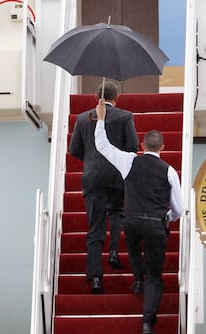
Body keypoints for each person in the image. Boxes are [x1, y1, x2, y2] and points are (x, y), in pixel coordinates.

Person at [94, 98, 184, 334]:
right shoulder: (168, 170)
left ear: (142, 144)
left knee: (133, 247)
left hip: (131, 220)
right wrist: (167, 217)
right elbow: (179, 208)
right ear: (162, 148)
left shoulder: (129, 160)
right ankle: (147, 322)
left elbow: (103, 146)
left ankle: (136, 279)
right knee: (156, 276)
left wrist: (101, 118)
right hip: (156, 224)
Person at [69, 82, 139, 294]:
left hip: (92, 177)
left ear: (95, 97)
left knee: (95, 224)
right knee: (117, 212)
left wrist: (91, 161)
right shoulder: (125, 116)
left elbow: (75, 150)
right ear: (116, 97)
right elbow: (133, 146)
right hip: (117, 174)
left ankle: (96, 277)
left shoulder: (82, 118)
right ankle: (114, 251)